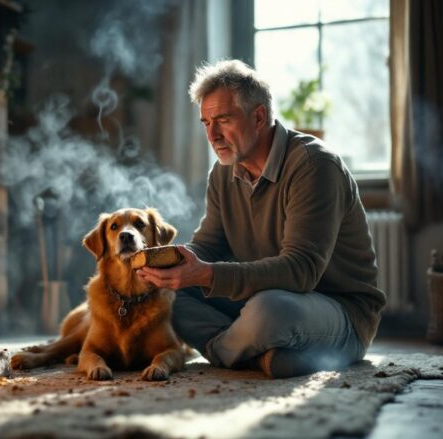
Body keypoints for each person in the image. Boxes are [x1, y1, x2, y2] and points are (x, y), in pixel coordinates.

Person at [136, 59, 386, 378]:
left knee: (268, 311)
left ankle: (234, 350)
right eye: (206, 122)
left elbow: (301, 271)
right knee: (164, 296)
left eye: (223, 120)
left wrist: (208, 275)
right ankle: (258, 353)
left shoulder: (314, 166)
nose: (212, 135)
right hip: (257, 299)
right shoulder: (223, 172)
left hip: (340, 313)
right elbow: (209, 246)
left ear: (258, 117)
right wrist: (172, 266)